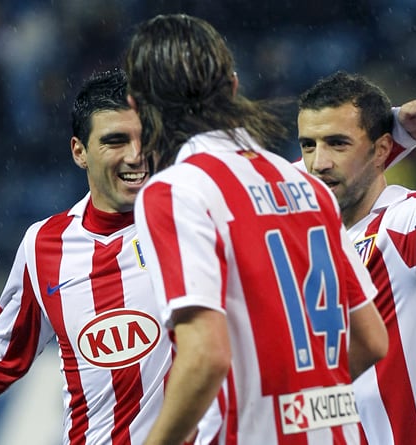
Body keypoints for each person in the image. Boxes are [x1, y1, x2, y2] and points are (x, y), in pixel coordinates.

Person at [122, 13, 389, 445]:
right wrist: (299, 407)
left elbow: (205, 355)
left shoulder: (176, 191)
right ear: (232, 86)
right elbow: (372, 339)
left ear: (136, 107)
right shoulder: (308, 186)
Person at [0, 70, 184, 444]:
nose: (136, 155)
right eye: (115, 141)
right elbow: (0, 353)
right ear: (79, 152)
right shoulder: (44, 245)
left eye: (145, 138)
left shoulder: (190, 223)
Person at [296, 63, 416, 445]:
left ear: (382, 150)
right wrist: (394, 124)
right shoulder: (303, 238)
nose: (318, 163)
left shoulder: (402, 223)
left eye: (338, 143)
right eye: (308, 145)